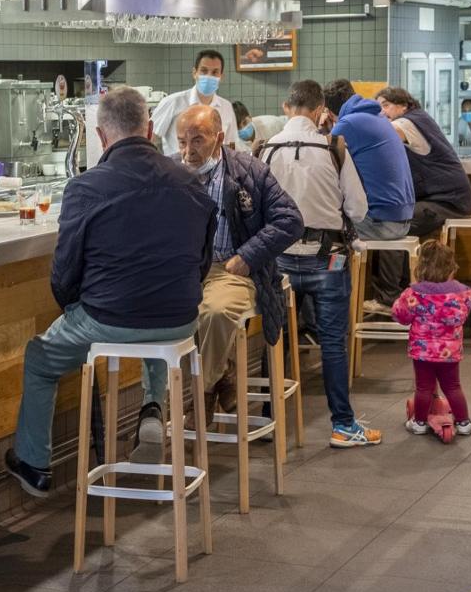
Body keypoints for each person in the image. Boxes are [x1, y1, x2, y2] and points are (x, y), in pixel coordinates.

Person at [4, 87, 217, 492]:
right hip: (180, 322)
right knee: (153, 319)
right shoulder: (191, 183)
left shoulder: (86, 188)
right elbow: (202, 262)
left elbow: (64, 273)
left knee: (39, 358)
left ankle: (34, 463)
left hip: (109, 321)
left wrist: (75, 309)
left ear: (101, 136)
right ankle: (152, 409)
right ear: (151, 129)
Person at [258, 80, 381, 448]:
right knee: (332, 342)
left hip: (278, 260)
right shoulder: (334, 147)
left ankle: (268, 421)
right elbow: (358, 209)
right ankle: (343, 425)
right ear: (320, 111)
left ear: (286, 108)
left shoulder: (264, 149)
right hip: (327, 260)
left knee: (275, 339)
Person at [173, 104, 304, 422]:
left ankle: (200, 394)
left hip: (230, 268)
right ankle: (223, 376)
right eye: (181, 142)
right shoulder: (170, 174)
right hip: (186, 271)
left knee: (215, 312)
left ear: (219, 138)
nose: (188, 152)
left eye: (197, 140)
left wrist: (248, 255)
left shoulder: (249, 171)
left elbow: (290, 219)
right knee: (156, 310)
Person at [374, 86, 471, 307]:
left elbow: (382, 136)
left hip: (447, 200)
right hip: (443, 198)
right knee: (397, 221)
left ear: (404, 105)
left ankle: (389, 299)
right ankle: (403, 294)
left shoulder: (407, 123)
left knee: (391, 225)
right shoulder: (417, 119)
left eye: (386, 105)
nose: (382, 112)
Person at [322, 79, 415, 314]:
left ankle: (332, 312)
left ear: (329, 111)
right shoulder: (374, 117)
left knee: (322, 233)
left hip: (382, 223)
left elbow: (320, 158)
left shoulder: (349, 124)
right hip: (400, 218)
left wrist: (324, 128)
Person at [391, 240, 471, 437]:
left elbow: (401, 315)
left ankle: (419, 422)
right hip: (450, 352)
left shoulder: (414, 293)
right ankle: (464, 422)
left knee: (423, 387)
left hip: (423, 352)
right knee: (453, 386)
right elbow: (461, 317)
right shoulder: (461, 293)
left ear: (421, 267)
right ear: (451, 267)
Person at [152, 50, 240, 154]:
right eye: (204, 71)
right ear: (195, 73)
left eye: (215, 72)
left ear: (221, 77)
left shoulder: (226, 107)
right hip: (177, 168)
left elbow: (231, 145)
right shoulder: (173, 102)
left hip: (215, 168)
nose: (209, 76)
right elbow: (150, 137)